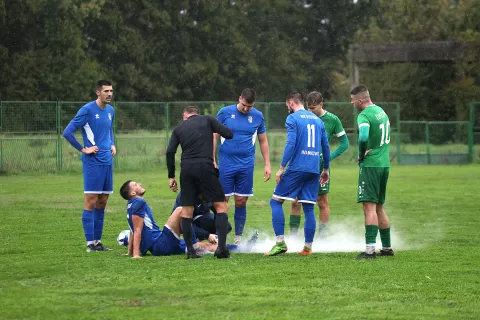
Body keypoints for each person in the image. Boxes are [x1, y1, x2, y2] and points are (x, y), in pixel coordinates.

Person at [265, 92, 330, 256]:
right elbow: (326, 146)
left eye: (287, 105)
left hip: (296, 168)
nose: (287, 108)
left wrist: (281, 168)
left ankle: (280, 243)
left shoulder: (292, 118)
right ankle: (307, 247)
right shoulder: (318, 120)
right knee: (308, 207)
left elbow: (291, 143)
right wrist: (326, 169)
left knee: (275, 202)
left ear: (291, 103)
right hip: (314, 168)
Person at [166, 106, 233, 259]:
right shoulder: (208, 119)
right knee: (221, 206)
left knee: (186, 211)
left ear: (185, 115)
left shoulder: (178, 128)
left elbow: (170, 152)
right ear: (197, 113)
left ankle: (191, 251)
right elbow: (228, 134)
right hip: (205, 166)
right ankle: (221, 249)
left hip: (186, 170)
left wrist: (171, 176)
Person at [119, 180, 247, 258]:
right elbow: (136, 230)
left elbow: (132, 230)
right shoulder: (138, 203)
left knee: (205, 246)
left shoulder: (130, 205)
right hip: (159, 244)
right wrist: (135, 254)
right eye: (135, 185)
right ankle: (194, 245)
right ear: (133, 193)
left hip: (161, 244)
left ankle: (243, 248)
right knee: (181, 210)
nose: (139, 184)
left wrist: (130, 252)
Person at [62, 80, 115, 252]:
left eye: (111, 91)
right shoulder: (87, 110)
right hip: (93, 163)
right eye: (106, 91)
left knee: (103, 202)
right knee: (91, 201)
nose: (109, 94)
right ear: (97, 92)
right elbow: (67, 132)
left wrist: (112, 144)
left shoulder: (110, 111)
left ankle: (98, 242)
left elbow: (109, 130)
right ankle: (89, 243)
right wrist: (83, 149)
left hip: (108, 161)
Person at [213, 88, 271, 245]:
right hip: (226, 164)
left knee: (240, 201)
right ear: (239, 99)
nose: (246, 109)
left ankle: (238, 238)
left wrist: (267, 164)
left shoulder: (258, 116)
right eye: (244, 105)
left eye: (249, 106)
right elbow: (214, 135)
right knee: (222, 200)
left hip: (246, 165)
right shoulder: (225, 113)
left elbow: (263, 141)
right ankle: (219, 237)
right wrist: (212, 158)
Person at [289, 91, 349, 237]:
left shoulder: (332, 120)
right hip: (302, 164)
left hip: (320, 167)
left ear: (321, 104)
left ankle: (322, 236)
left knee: (321, 201)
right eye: (309, 108)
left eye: (314, 108)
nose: (311, 111)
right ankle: (293, 236)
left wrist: (327, 159)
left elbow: (344, 143)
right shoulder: (302, 118)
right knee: (295, 201)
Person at [350, 85, 394, 259]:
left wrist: (361, 154)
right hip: (384, 164)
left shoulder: (364, 115)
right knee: (379, 207)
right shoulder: (381, 112)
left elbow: (363, 137)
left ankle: (369, 251)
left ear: (360, 100)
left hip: (371, 165)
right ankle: (387, 248)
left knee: (369, 207)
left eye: (353, 101)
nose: (352, 103)